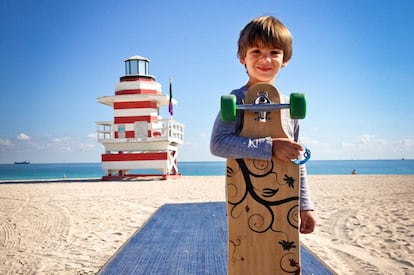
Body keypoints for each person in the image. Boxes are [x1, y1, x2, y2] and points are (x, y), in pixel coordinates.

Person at [210, 15, 315, 234]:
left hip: (284, 192)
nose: (265, 59)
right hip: (247, 194)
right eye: (256, 51)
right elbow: (218, 144)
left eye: (274, 52)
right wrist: (271, 147)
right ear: (243, 58)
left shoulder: (289, 106)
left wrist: (305, 205)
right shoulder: (237, 100)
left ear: (285, 59)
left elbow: (297, 157)